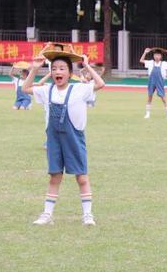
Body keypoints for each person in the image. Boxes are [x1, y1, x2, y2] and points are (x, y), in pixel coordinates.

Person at [21, 51, 106, 226]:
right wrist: (35, 69)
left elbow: (100, 83)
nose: (57, 72)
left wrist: (87, 65)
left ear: (69, 72)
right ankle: (47, 214)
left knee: (81, 177)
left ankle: (88, 215)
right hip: (54, 140)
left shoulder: (79, 89)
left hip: (74, 138)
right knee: (54, 176)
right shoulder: (47, 90)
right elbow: (26, 89)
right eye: (54, 69)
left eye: (62, 68)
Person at [140, 47, 167, 119]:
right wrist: (145, 53)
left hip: (160, 81)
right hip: (151, 81)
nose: (157, 56)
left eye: (158, 55)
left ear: (161, 56)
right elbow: (141, 60)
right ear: (153, 56)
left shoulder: (164, 64)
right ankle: (147, 114)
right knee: (150, 96)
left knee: (163, 97)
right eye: (155, 55)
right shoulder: (150, 62)